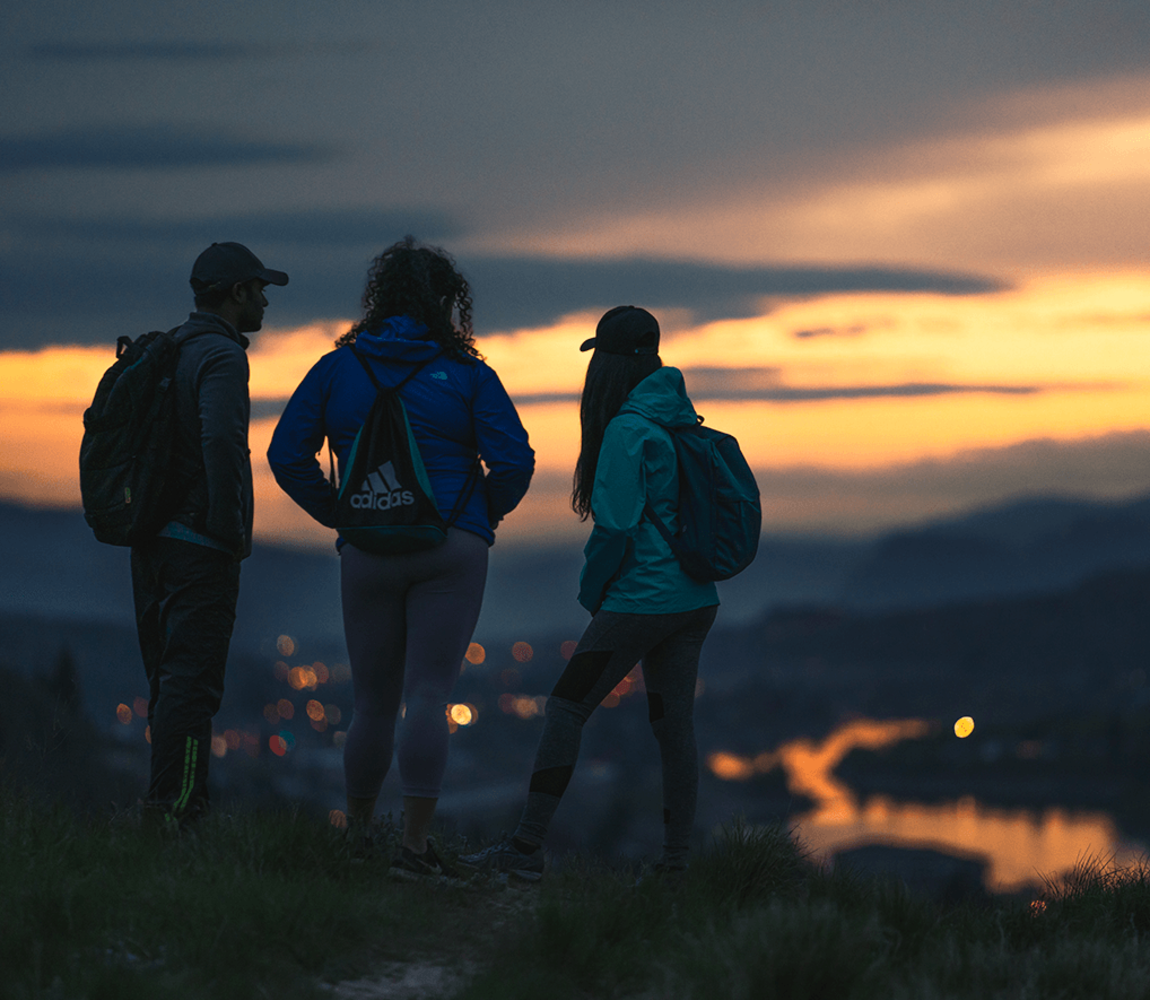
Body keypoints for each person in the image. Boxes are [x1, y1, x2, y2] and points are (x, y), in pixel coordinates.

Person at [267, 237, 534, 877]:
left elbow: (285, 456)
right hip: (451, 546)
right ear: (448, 305)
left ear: (379, 299)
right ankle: (413, 851)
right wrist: (478, 517)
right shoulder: (469, 375)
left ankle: (357, 841)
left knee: (371, 704)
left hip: (368, 549)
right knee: (428, 696)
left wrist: (343, 513)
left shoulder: (336, 369)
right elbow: (515, 462)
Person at [462, 306, 719, 881]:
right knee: (675, 728)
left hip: (641, 599)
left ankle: (525, 849)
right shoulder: (680, 416)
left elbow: (615, 530)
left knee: (565, 708)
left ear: (608, 364)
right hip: (696, 600)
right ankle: (676, 868)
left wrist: (592, 594)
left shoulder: (627, 429)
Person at [132, 241, 289, 829]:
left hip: (151, 541)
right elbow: (221, 442)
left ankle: (162, 806)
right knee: (193, 689)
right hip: (200, 546)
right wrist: (228, 530)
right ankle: (179, 812)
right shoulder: (222, 358)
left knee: (168, 681)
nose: (266, 302)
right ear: (236, 292)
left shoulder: (170, 349)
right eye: (260, 289)